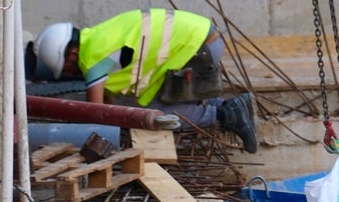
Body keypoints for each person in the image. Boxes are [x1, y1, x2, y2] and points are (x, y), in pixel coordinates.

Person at [28, 8, 259, 153]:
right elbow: (109, 104)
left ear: (72, 53)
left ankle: (225, 115)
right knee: (152, 104)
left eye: (67, 69)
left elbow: (95, 114)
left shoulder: (92, 57)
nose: (71, 74)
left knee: (156, 115)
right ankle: (230, 107)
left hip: (195, 48)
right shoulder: (98, 38)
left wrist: (100, 146)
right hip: (205, 39)